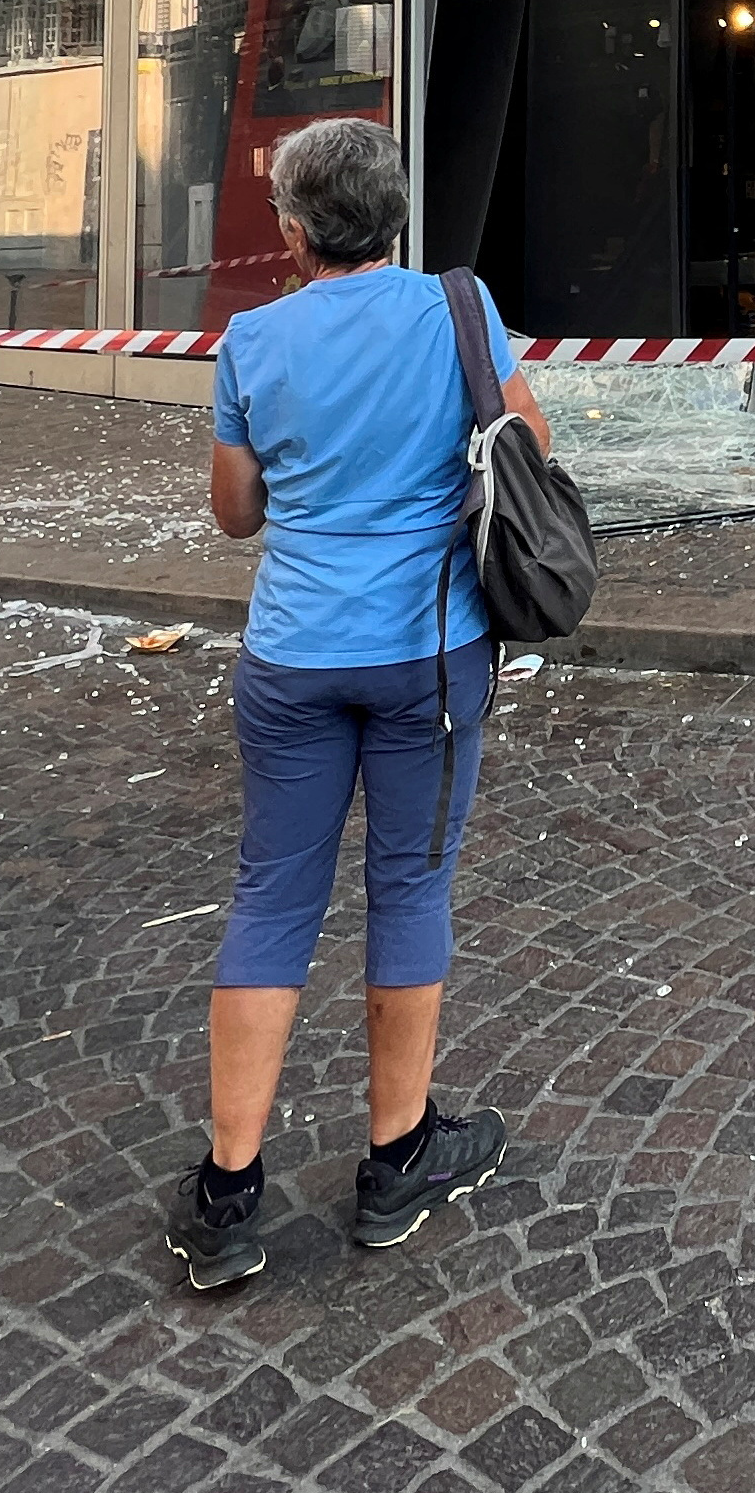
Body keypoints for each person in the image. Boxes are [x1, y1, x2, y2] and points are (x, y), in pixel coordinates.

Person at [164, 115, 538, 1292]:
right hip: (430, 652)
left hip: (292, 654)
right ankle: (397, 1158)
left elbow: (236, 514)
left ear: (291, 231)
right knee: (411, 888)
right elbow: (529, 443)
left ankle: (229, 1188)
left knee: (272, 894)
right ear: (396, 215)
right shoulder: (458, 311)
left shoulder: (253, 338)